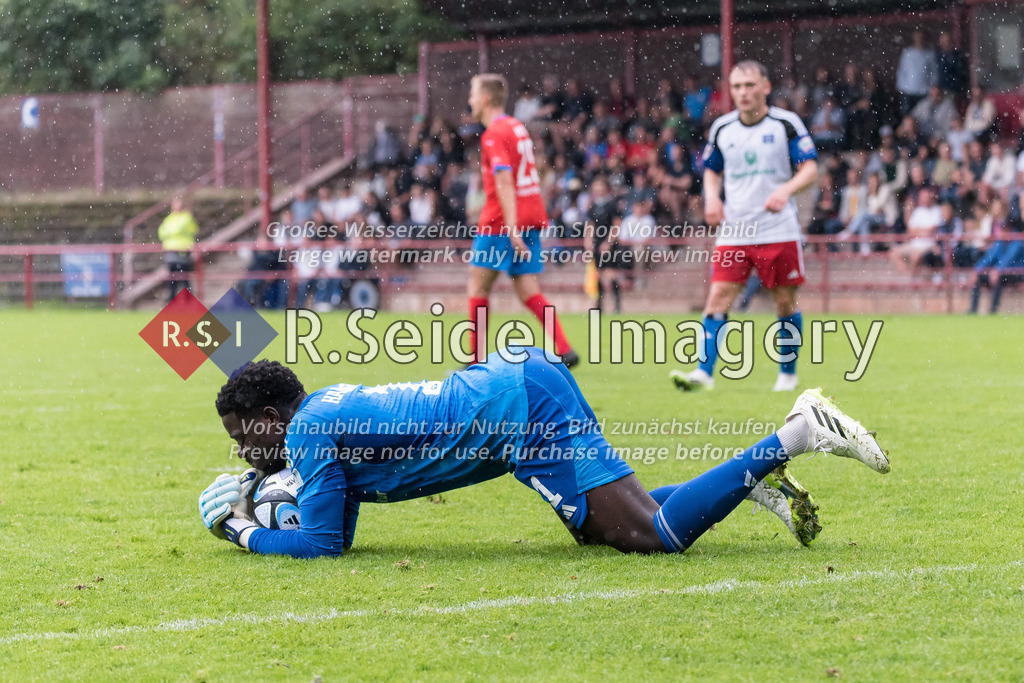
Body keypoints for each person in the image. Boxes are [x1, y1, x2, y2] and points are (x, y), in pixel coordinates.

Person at [198, 353, 891, 558]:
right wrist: (272, 500)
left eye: (242, 433)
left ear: (269, 418)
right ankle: (746, 483)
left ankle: (795, 431)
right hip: (513, 398)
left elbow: (322, 543)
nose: (240, 447)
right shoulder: (318, 419)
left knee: (653, 536)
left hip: (518, 411)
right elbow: (332, 522)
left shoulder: (308, 431)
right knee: (599, 530)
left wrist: (243, 526)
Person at [669, 60, 818, 393]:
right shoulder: (723, 128)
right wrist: (710, 197)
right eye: (736, 87)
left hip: (778, 228)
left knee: (784, 303)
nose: (743, 93)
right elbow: (711, 170)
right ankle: (704, 372)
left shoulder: (785, 123)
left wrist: (786, 189)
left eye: (750, 85)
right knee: (718, 296)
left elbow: (810, 170)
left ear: (766, 87)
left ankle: (787, 373)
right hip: (735, 230)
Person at [465, 73, 578, 367]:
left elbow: (503, 180)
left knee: (478, 288)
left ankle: (474, 361)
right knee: (528, 288)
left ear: (486, 98)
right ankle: (565, 349)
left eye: (473, 94)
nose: (470, 100)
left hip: (502, 220)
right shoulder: (517, 126)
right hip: (529, 214)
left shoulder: (493, 134)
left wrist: (511, 226)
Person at [157, 196, 199, 303]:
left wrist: (172, 233)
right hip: (171, 252)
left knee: (184, 278)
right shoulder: (169, 219)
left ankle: (188, 300)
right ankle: (172, 299)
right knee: (172, 278)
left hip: (182, 252)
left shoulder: (186, 217)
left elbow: (184, 229)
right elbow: (161, 232)